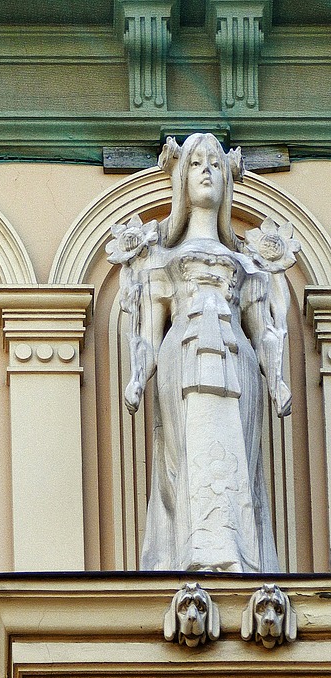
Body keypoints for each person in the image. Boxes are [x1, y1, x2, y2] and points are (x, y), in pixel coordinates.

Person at [112, 133, 297, 573]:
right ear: (182, 179)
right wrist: (138, 377)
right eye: (196, 163)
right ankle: (193, 556)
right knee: (188, 452)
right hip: (185, 357)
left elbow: (264, 331)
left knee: (235, 455)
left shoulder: (247, 264)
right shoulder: (162, 258)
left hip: (236, 360)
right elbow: (148, 336)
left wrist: (277, 381)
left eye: (214, 162)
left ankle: (239, 557)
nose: (207, 170)